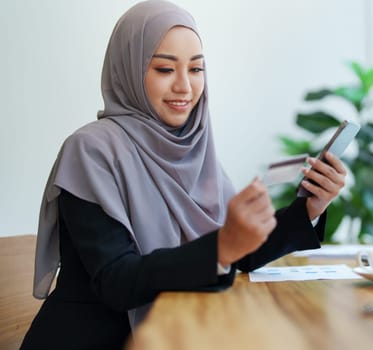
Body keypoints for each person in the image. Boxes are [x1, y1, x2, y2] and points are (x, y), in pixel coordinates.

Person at [20, 1, 347, 349]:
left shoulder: (194, 149)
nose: (185, 87)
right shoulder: (90, 149)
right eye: (164, 69)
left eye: (196, 69)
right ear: (128, 69)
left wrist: (309, 208)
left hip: (181, 335)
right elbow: (116, 280)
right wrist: (222, 248)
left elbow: (234, 254)